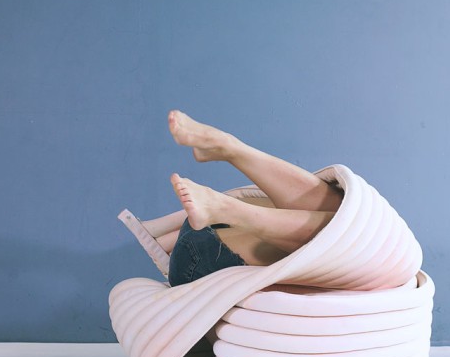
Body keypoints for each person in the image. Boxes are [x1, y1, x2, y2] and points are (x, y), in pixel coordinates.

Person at [141, 110, 344, 287]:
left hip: (198, 256)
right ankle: (228, 154)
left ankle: (229, 158)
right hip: (203, 250)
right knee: (350, 221)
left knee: (354, 231)